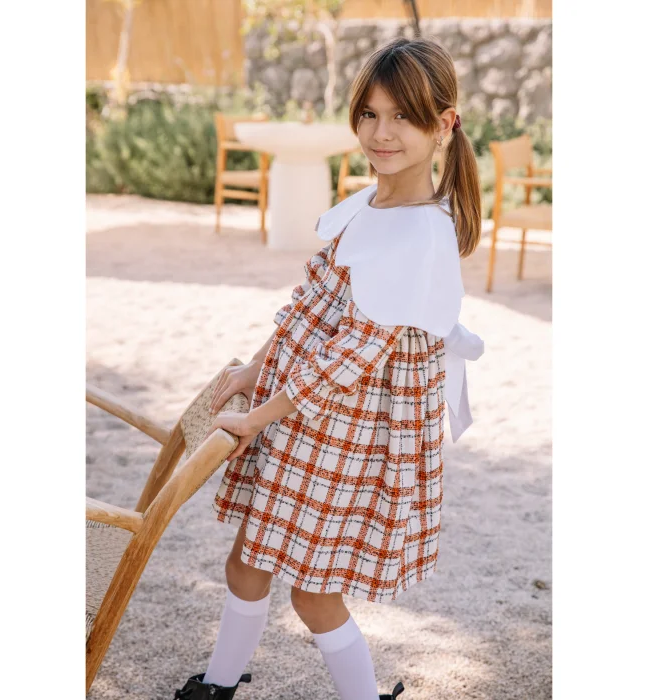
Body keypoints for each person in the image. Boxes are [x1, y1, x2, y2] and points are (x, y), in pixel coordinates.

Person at [173, 37, 485, 700]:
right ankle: (219, 686)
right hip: (298, 411)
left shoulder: (422, 235)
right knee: (246, 562)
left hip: (346, 433)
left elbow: (351, 359)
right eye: (369, 114)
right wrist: (253, 369)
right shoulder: (366, 207)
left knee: (314, 594)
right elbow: (313, 305)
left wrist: (258, 417)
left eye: (402, 117)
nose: (381, 133)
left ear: (443, 124)